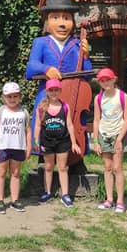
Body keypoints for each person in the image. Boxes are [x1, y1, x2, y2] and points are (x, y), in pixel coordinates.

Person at [25, 0, 92, 154]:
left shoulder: (77, 44)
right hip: (47, 94)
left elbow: (88, 74)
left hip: (72, 96)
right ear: (47, 21)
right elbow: (30, 67)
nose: (62, 24)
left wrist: (86, 56)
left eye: (66, 18)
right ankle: (43, 155)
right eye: (55, 18)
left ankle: (76, 158)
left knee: (73, 122)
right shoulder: (41, 42)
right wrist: (45, 68)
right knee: (44, 122)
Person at [34, 78, 81, 207]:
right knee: (48, 167)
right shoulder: (42, 107)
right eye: (51, 90)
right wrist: (36, 140)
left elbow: (70, 125)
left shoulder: (65, 106)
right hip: (47, 141)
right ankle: (47, 191)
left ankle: (65, 194)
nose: (54, 93)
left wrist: (73, 143)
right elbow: (38, 125)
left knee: (63, 167)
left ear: (60, 91)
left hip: (62, 141)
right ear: (47, 91)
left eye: (56, 90)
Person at [92, 68, 127, 213]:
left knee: (117, 168)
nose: (105, 83)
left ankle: (120, 201)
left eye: (107, 79)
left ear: (114, 79)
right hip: (104, 135)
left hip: (117, 135)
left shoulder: (122, 96)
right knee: (107, 168)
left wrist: (120, 139)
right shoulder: (98, 98)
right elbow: (96, 120)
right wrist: (95, 141)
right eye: (102, 81)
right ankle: (109, 199)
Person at [0, 82, 31, 214]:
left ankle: (15, 200)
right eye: (9, 96)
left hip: (18, 147)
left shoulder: (23, 112)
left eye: (15, 96)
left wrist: (29, 147)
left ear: (19, 96)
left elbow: (27, 131)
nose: (12, 99)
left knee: (16, 173)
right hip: (2, 147)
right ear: (3, 97)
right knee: (1, 172)